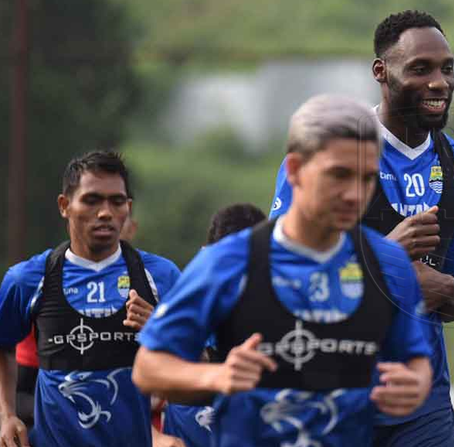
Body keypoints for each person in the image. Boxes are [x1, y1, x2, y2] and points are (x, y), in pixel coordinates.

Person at [132, 94, 434, 446]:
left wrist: (415, 384)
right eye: (339, 174)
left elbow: (417, 361)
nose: (355, 194)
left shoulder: (388, 263)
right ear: (295, 170)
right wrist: (218, 377)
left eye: (367, 179)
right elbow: (149, 368)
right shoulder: (229, 262)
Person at [268, 10, 454, 446]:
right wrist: (385, 259)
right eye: (420, 69)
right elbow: (276, 275)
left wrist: (447, 290)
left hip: (421, 401)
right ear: (381, 71)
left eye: (447, 68)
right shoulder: (326, 159)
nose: (439, 82)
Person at [0, 150, 180, 447]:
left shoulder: (160, 277)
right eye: (92, 200)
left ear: (128, 208)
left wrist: (164, 334)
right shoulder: (28, 279)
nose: (106, 212)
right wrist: (6, 415)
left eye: (117, 201)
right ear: (64, 206)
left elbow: (203, 362)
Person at [161, 202, 267, 447]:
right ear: (206, 254)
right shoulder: (181, 305)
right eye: (226, 263)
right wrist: (156, 437)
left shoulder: (285, 312)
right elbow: (144, 380)